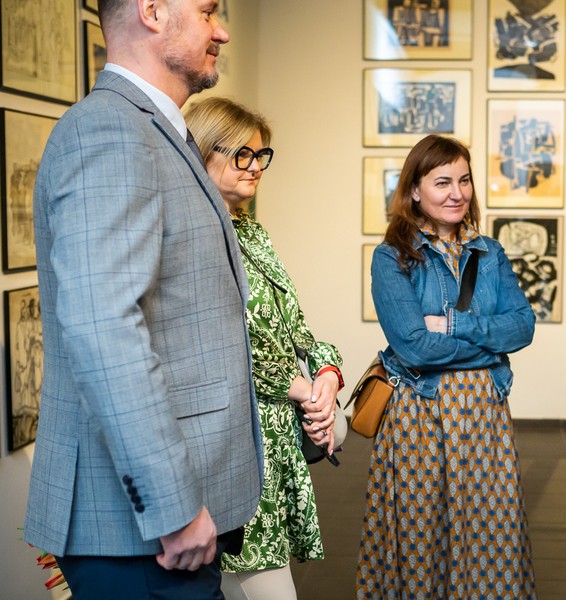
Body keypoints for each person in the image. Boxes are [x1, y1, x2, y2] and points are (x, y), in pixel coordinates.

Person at [24, 1, 265, 598]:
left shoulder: (159, 130)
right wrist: (173, 507)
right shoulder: (109, 129)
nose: (222, 29)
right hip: (141, 533)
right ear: (153, 12)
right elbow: (105, 328)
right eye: (207, 10)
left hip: (161, 527)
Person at [357, 134, 537, 599]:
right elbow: (415, 348)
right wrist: (488, 344)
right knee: (422, 537)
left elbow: (522, 327)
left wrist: (454, 325)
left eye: (464, 180)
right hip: (420, 417)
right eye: (442, 182)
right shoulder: (391, 258)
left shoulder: (490, 253)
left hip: (484, 422)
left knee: (491, 535)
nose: (457, 192)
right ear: (414, 190)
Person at [184, 96, 344, 600]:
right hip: (235, 446)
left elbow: (296, 328)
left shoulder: (253, 233)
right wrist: (301, 388)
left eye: (261, 155)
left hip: (274, 446)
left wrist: (326, 375)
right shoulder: (193, 237)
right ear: (203, 153)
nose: (256, 167)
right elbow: (218, 345)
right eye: (242, 155)